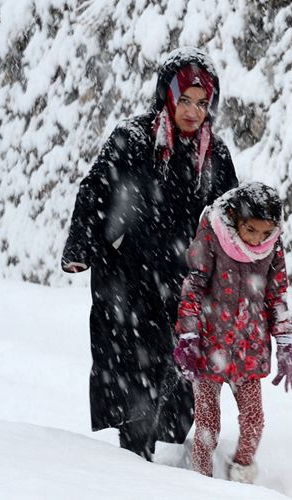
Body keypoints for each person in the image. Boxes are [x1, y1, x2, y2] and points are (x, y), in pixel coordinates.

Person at [61, 47, 238, 461]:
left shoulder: (215, 155)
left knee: (181, 390)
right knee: (132, 379)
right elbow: (95, 192)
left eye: (202, 103)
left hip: (184, 285)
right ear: (167, 96)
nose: (193, 111)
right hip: (128, 278)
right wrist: (80, 248)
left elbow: (230, 220)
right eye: (186, 100)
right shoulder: (134, 138)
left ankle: (170, 467)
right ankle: (134, 466)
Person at [172, 182, 292, 483]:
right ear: (234, 218)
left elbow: (277, 294)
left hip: (249, 345)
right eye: (251, 230)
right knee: (208, 424)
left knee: (254, 421)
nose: (258, 239)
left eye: (265, 232)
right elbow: (194, 287)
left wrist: (284, 343)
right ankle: (200, 481)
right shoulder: (213, 235)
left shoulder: (271, 244)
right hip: (209, 343)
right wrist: (188, 337)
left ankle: (241, 473)